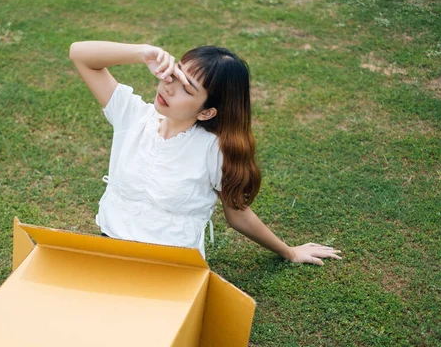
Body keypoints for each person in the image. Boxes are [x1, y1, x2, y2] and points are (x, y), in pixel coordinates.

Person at [69, 41, 341, 265]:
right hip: (110, 248)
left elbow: (238, 215)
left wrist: (289, 252)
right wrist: (142, 52)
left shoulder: (214, 150)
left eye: (186, 89)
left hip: (173, 263)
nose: (169, 87)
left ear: (206, 111)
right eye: (174, 74)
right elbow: (79, 54)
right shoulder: (133, 115)